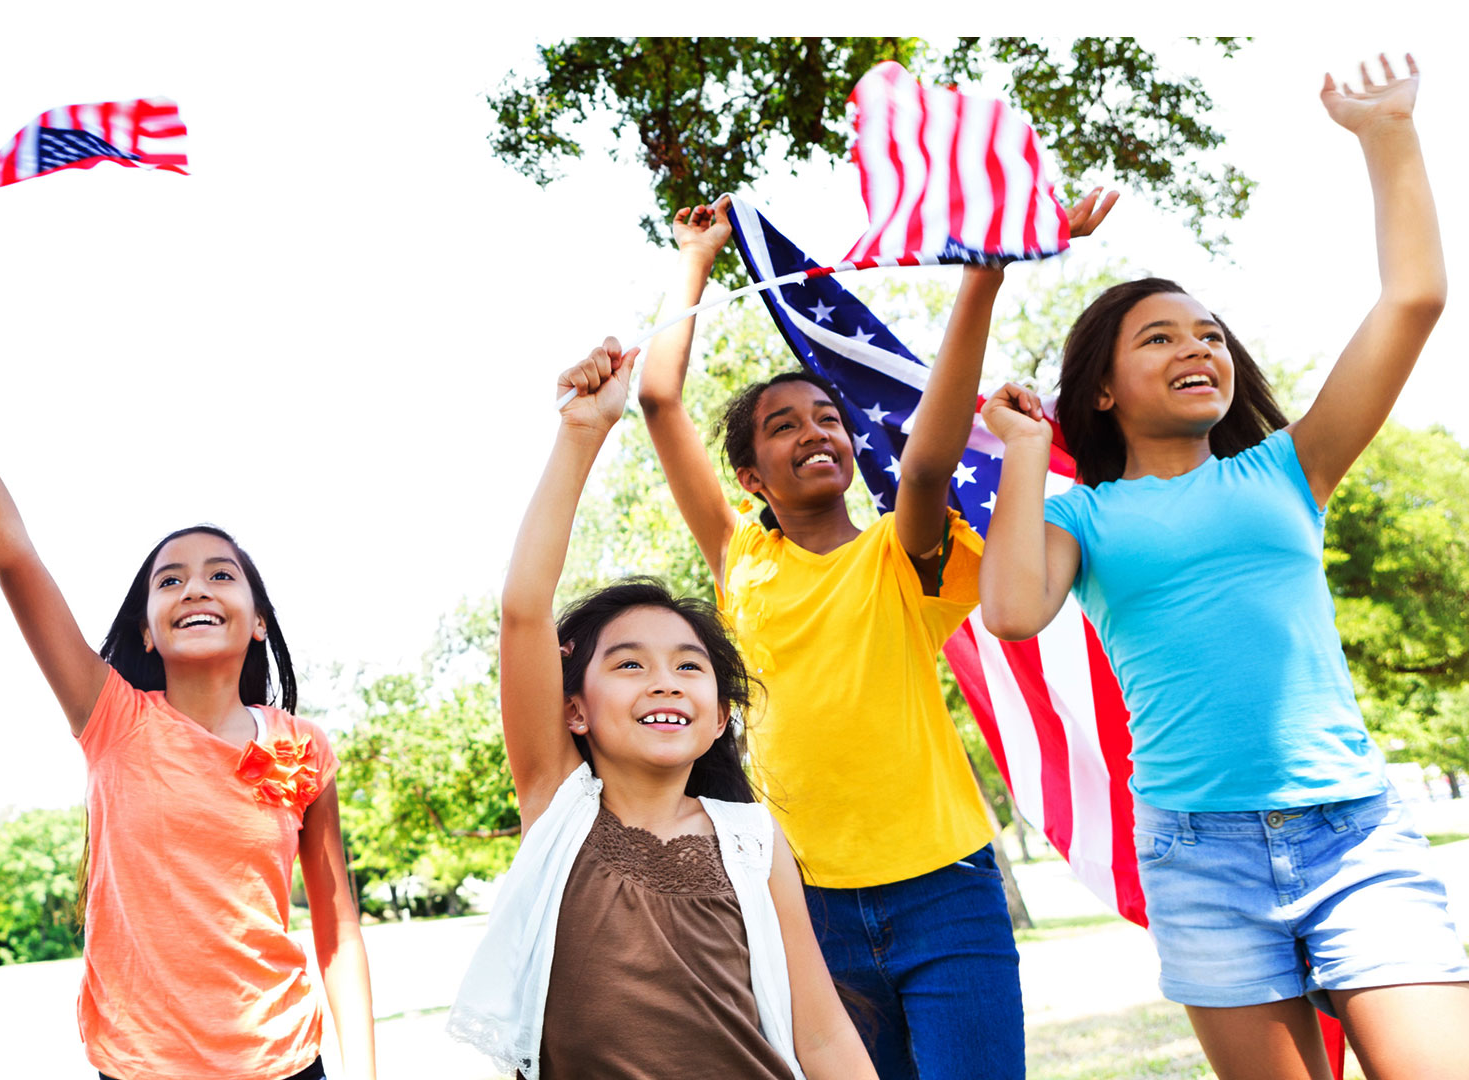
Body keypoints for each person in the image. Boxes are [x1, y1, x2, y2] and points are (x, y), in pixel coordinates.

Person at [976, 55, 1469, 1080]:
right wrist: (1026, 455)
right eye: (1159, 337)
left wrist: (1387, 134)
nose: (1198, 347)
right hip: (1199, 859)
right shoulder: (1085, 514)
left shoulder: (1289, 468)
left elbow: (1414, 297)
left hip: (1356, 838)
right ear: (1101, 391)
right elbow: (1016, 611)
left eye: (1210, 333)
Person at [633, 189, 1113, 1078]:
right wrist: (694, 258)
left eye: (829, 420)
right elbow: (659, 400)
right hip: (803, 904)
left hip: (944, 894)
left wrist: (983, 279)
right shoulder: (742, 559)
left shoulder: (905, 552)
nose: (817, 432)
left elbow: (929, 456)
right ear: (750, 474)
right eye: (785, 426)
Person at [0, 293, 376, 1080]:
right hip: (139, 1068)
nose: (196, 588)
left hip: (285, 1064)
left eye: (220, 574)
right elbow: (16, 553)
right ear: (146, 629)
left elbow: (336, 924)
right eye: (170, 580)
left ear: (258, 621)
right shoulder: (113, 719)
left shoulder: (304, 749)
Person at [449, 340, 875, 1080]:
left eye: (689, 666)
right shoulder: (559, 806)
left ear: (718, 719)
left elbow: (824, 1034)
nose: (665, 681)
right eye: (628, 664)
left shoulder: (752, 840)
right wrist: (582, 433)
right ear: (574, 710)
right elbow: (524, 612)